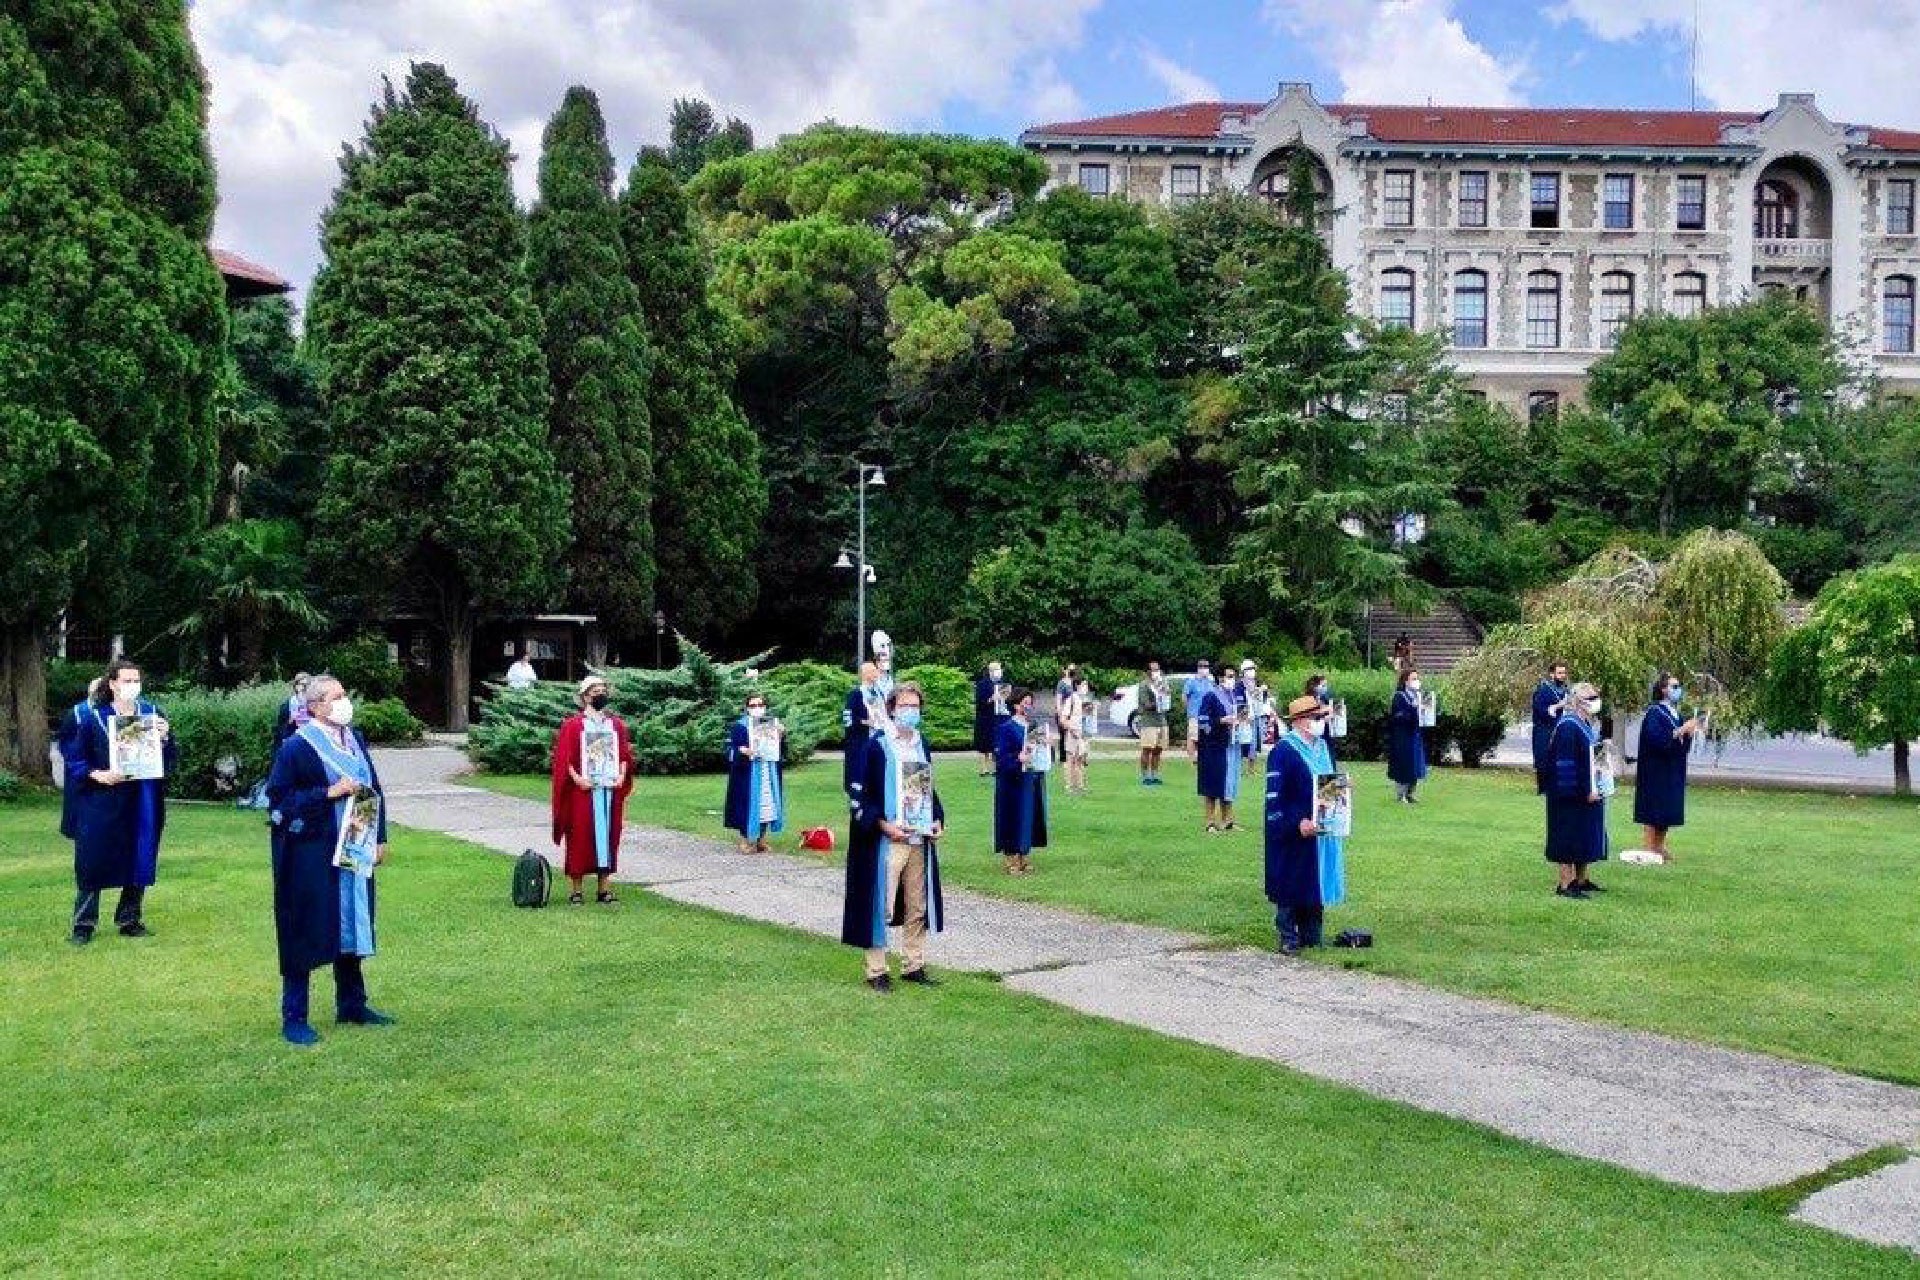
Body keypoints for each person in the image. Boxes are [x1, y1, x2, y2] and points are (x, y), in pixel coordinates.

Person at [266, 675, 391, 1046]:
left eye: (345, 695)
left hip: (355, 845)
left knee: (351, 921)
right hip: (312, 853)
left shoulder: (355, 740)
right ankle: (295, 1016)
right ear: (316, 706)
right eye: (337, 697)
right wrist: (328, 792)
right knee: (306, 927)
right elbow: (278, 801)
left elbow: (374, 788)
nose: (345, 702)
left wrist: (379, 836)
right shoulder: (296, 748)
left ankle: (352, 1003)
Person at [841, 681, 946, 991]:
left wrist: (937, 818)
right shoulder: (877, 745)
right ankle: (877, 970)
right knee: (881, 905)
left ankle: (914, 964)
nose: (910, 712)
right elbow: (861, 795)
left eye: (915, 706)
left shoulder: (920, 743)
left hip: (917, 838)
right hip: (888, 838)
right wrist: (885, 826)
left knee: (917, 904)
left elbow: (926, 788)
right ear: (891, 709)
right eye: (904, 706)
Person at [62, 662, 174, 945]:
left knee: (140, 855)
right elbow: (75, 757)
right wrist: (96, 774)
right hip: (102, 798)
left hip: (142, 798)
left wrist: (165, 738)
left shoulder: (151, 713)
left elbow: (169, 758)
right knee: (93, 859)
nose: (132, 685)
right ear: (112, 683)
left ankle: (130, 918)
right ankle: (83, 924)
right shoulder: (91, 717)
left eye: (136, 679)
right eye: (127, 679)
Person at [1264, 695, 1346, 954]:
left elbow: (1327, 786)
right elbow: (1275, 798)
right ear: (1300, 721)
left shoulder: (1323, 747)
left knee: (1316, 878)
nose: (1321, 722)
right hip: (1294, 826)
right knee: (1291, 879)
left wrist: (1342, 788)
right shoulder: (1283, 751)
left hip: (1320, 827)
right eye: (1317, 718)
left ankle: (1312, 933)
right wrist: (1295, 822)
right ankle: (1287, 934)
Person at [550, 675, 634, 905]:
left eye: (603, 690)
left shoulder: (615, 724)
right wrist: (577, 779)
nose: (600, 694)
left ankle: (604, 889)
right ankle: (576, 890)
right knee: (579, 836)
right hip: (583, 791)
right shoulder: (573, 725)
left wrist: (622, 775)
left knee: (608, 837)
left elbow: (624, 755)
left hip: (609, 790)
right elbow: (564, 759)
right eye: (596, 691)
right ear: (586, 696)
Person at [1544, 681, 1609, 899]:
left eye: (1595, 697)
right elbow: (1565, 764)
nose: (1595, 701)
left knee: (1585, 834)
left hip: (1588, 790)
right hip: (1569, 795)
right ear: (1578, 701)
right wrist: (1582, 792)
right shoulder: (1568, 725)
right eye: (1590, 698)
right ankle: (1565, 883)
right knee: (1568, 834)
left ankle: (1581, 879)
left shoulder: (1585, 724)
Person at [1632, 670, 1699, 864]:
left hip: (1672, 769)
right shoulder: (1655, 713)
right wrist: (1681, 730)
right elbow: (1656, 740)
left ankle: (1660, 846)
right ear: (1663, 690)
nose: (1679, 690)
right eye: (1674, 687)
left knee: (1667, 810)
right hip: (1656, 770)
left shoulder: (1674, 713)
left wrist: (1688, 734)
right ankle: (1649, 848)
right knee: (1654, 809)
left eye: (1679, 686)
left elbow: (1678, 742)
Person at [993, 689, 1048, 874]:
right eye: (1024, 702)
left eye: (1030, 702)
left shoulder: (1033, 726)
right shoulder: (1006, 727)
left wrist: (1046, 747)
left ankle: (1024, 854)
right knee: (1012, 817)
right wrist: (1018, 759)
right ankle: (1011, 858)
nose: (1027, 706)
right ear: (1015, 705)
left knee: (1028, 817)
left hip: (1029, 778)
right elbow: (1000, 758)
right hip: (1011, 781)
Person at [724, 692, 785, 853]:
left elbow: (780, 751)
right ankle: (745, 841)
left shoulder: (771, 724)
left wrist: (780, 736)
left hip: (768, 771)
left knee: (767, 806)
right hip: (747, 774)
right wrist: (742, 751)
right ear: (747, 708)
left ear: (765, 707)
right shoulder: (740, 726)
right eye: (753, 705)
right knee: (748, 805)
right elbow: (730, 750)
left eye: (760, 705)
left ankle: (761, 840)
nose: (757, 708)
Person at [1194, 667, 1238, 833]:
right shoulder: (1211, 695)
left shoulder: (1232, 696)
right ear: (1221, 678)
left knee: (1228, 783)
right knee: (1212, 783)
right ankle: (1210, 822)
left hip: (1229, 744)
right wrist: (1221, 721)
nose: (1232, 679)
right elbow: (1203, 720)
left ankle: (1227, 820)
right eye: (1229, 676)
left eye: (1234, 676)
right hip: (1212, 745)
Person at [843, 661, 886, 797]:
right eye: (873, 671)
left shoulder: (879, 693)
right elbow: (848, 718)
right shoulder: (856, 694)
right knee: (860, 772)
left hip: (879, 737)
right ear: (865, 674)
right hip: (861, 742)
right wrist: (865, 722)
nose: (876, 673)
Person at [1387, 668, 1429, 804]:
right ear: (1406, 681)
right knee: (1404, 764)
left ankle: (1411, 793)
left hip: (1414, 734)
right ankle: (1401, 794)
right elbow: (1397, 716)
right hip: (1402, 736)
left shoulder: (1417, 696)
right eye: (1413, 679)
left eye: (1417, 678)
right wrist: (1412, 709)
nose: (1416, 681)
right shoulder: (1399, 696)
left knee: (1415, 764)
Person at [1531, 661, 1571, 795]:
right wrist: (1559, 706)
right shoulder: (1543, 690)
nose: (1562, 676)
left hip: (1560, 729)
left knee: (1559, 759)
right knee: (1543, 758)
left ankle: (1557, 787)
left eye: (1564, 673)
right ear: (1552, 674)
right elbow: (1541, 711)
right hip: (1544, 729)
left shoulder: (1566, 690)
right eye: (1559, 673)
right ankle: (1543, 789)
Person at [1134, 661, 1171, 785]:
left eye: (1157, 669)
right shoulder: (1144, 685)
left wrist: (1165, 696)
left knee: (1158, 749)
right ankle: (1145, 776)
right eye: (1153, 670)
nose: (1156, 672)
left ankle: (1155, 774)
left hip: (1161, 721)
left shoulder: (1162, 683)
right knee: (1147, 749)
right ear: (1148, 671)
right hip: (1149, 721)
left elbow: (1168, 697)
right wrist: (1159, 701)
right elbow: (1146, 704)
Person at [972, 660, 1007, 776]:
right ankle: (983, 769)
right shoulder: (982, 684)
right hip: (984, 718)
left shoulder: (1002, 684)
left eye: (1000, 669)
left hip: (997, 718)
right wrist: (992, 699)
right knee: (984, 745)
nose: (999, 672)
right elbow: (980, 701)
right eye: (996, 669)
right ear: (991, 671)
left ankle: (994, 768)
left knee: (994, 744)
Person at [1182, 659, 1214, 761]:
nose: (1206, 669)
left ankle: (1202, 757)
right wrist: (1189, 709)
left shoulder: (1209, 682)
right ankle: (1192, 759)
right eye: (1204, 667)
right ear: (1199, 668)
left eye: (1207, 667)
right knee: (1193, 737)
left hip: (1207, 716)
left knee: (1204, 737)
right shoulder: (1191, 682)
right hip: (1194, 715)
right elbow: (1184, 697)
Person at [273, 672, 312, 746]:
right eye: (302, 684)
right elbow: (280, 728)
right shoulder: (287, 705)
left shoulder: (314, 704)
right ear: (296, 686)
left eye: (307, 685)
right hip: (291, 741)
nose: (304, 687)